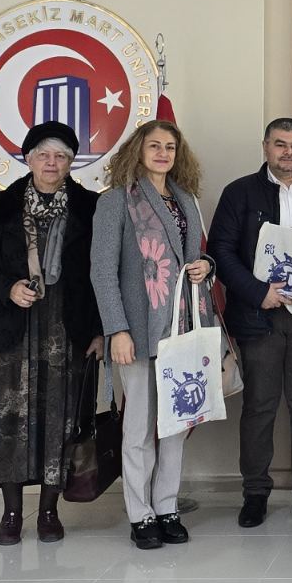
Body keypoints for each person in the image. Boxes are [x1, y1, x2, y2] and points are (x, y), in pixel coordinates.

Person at [0, 121, 102, 546]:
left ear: (71, 163)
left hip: (68, 332)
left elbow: (104, 274)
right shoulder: (1, 204)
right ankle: (11, 513)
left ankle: (48, 512)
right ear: (28, 159)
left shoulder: (91, 207)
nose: (51, 163)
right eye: (43, 155)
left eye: (60, 156)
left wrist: (100, 331)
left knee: (61, 421)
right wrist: (7, 288)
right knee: (9, 420)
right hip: (9, 331)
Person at [208, 117, 292, 528]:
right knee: (259, 405)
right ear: (265, 146)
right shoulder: (240, 193)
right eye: (280, 144)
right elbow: (221, 252)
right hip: (259, 315)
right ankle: (255, 493)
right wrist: (258, 292)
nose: (288, 152)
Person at [90, 119, 214, 550]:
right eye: (154, 146)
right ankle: (140, 513)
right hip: (138, 331)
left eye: (170, 147)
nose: (163, 153)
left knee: (176, 423)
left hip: (182, 327)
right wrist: (117, 330)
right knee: (140, 427)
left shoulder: (185, 200)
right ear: (138, 151)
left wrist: (206, 266)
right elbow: (102, 272)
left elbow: (191, 258)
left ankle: (166, 506)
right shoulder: (115, 201)